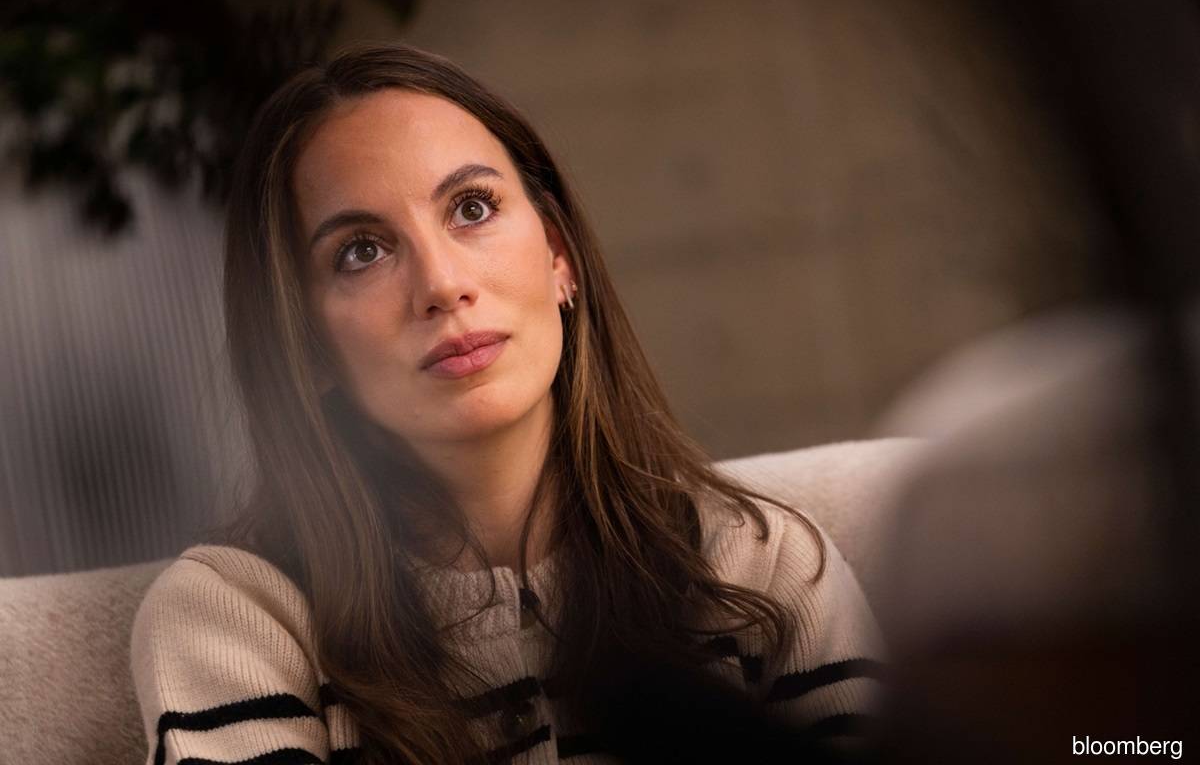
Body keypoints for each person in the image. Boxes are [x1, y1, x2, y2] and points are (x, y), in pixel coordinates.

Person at [129, 43, 883, 765]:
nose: (441, 284)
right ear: (306, 343)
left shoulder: (763, 568)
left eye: (472, 208)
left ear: (558, 256)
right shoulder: (237, 616)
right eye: (362, 251)